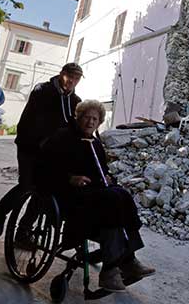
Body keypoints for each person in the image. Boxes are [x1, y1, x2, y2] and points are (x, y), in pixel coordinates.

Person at [40, 100, 155, 292]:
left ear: (100, 122)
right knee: (111, 201)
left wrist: (109, 179)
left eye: (95, 119)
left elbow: (101, 171)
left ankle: (128, 259)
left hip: (93, 194)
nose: (90, 122)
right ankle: (111, 270)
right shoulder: (62, 138)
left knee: (122, 196)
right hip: (67, 196)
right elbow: (44, 169)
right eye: (87, 117)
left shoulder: (95, 143)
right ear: (79, 117)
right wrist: (70, 179)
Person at [0, 63, 83, 237]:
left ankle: (24, 230)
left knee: (46, 189)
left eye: (77, 78)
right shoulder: (42, 91)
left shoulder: (75, 101)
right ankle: (0, 211)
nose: (73, 81)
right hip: (30, 146)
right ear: (62, 74)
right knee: (27, 185)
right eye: (71, 76)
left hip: (53, 152)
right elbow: (33, 121)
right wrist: (43, 140)